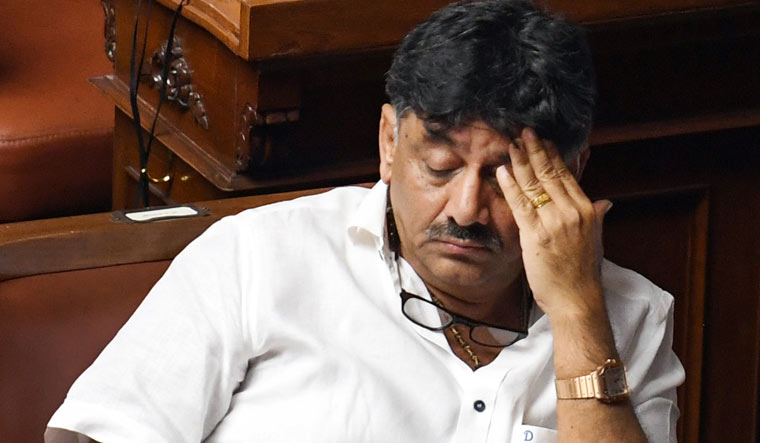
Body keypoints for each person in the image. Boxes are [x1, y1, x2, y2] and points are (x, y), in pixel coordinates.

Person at [46, 0, 684, 442]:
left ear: (571, 173)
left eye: (503, 178)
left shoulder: (629, 319)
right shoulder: (259, 256)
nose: (466, 209)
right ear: (388, 142)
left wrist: (576, 315)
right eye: (439, 166)